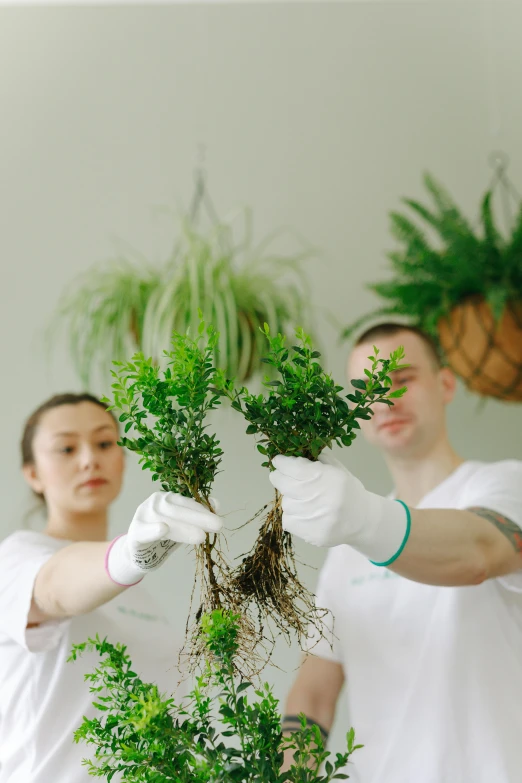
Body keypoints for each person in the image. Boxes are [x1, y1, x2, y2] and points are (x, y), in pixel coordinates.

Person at [271, 322, 522, 783]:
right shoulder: (347, 553)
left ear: (445, 384)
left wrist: (365, 519)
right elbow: (314, 693)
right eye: (367, 387)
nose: (385, 398)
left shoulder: (505, 483)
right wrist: (292, 776)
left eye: (402, 379)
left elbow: (480, 551)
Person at [0, 392, 222, 783]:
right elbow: (53, 588)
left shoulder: (138, 594)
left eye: (105, 443)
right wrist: (125, 557)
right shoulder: (17, 557)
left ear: (123, 458)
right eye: (66, 448)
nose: (89, 459)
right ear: (33, 473)